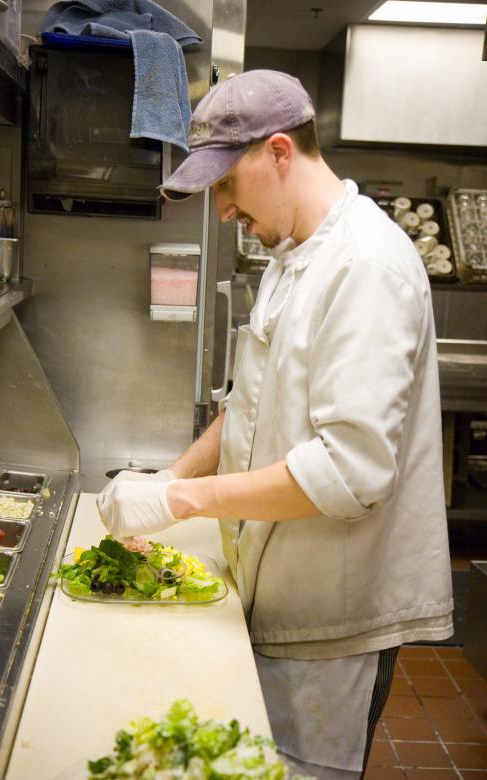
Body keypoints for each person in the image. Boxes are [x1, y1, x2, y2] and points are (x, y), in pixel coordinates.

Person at [97, 70, 454, 779]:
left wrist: (181, 502)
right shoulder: (293, 256)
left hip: (332, 617)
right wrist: (171, 475)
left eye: (227, 185)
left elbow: (350, 470)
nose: (224, 209)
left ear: (280, 152)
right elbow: (251, 402)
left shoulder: (367, 266)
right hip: (274, 584)